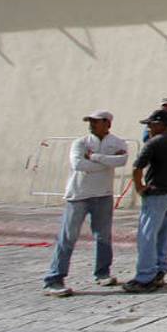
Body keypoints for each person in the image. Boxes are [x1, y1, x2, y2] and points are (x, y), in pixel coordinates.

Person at [41, 110, 129, 296]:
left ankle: (102, 273)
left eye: (96, 121)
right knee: (68, 237)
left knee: (103, 236)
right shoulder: (80, 143)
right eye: (90, 121)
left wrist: (95, 157)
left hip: (103, 194)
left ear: (107, 123)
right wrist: (107, 162)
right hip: (79, 195)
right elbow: (78, 165)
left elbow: (121, 161)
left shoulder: (117, 142)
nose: (92, 125)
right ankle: (54, 279)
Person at [122, 109, 167, 293]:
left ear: (160, 124)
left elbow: (137, 168)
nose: (148, 129)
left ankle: (145, 277)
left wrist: (140, 187)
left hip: (157, 192)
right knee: (165, 235)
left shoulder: (155, 142)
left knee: (147, 235)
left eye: (150, 125)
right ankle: (160, 270)